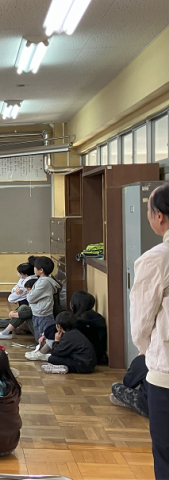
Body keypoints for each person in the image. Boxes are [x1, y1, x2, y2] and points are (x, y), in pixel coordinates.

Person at [129, 183, 169, 479]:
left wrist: (144, 349)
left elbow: (141, 322)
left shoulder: (156, 259)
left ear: (159, 216)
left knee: (166, 453)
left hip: (166, 372)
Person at [24, 257, 60, 360]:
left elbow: (30, 298)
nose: (34, 269)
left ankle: (43, 353)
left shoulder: (45, 282)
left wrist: (31, 297)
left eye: (35, 268)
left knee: (45, 337)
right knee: (38, 337)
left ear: (41, 270)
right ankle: (39, 350)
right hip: (37, 313)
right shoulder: (40, 280)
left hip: (44, 314)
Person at [71, 290, 108, 365]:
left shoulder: (76, 322)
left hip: (81, 357)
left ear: (74, 304)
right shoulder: (99, 318)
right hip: (98, 356)